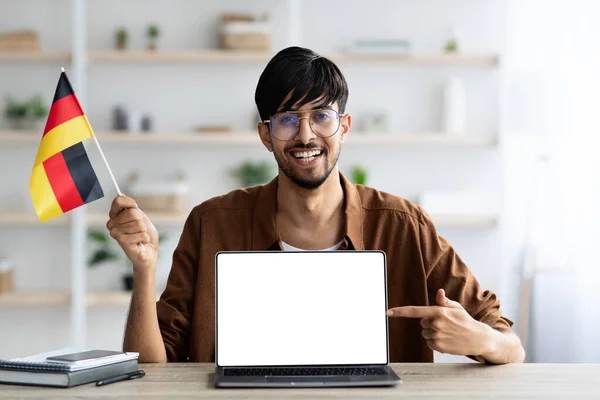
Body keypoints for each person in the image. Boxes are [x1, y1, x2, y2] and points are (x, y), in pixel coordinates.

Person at [108, 46, 525, 364]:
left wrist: (480, 340)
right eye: (288, 119)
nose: (306, 135)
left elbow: (510, 344)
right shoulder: (211, 221)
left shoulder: (404, 224)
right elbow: (151, 368)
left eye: (321, 116)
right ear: (265, 135)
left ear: (344, 127)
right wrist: (143, 270)